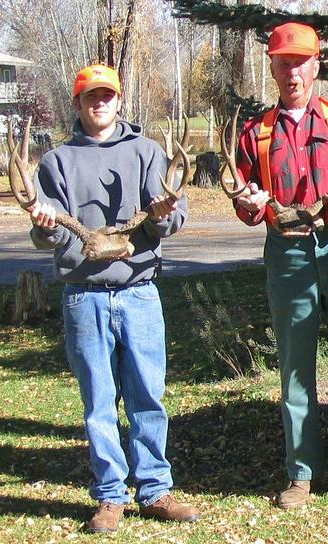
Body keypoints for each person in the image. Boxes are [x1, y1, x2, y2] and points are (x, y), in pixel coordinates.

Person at [27, 64, 199, 532]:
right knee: (99, 400)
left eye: (107, 95)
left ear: (119, 100)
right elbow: (46, 235)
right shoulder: (56, 162)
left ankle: (155, 490)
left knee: (148, 396)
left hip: (140, 291)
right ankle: (109, 495)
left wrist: (162, 215)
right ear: (78, 103)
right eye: (90, 96)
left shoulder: (146, 153)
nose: (99, 102)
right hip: (84, 296)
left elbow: (171, 220)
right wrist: (46, 227)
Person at [231, 22, 328, 508]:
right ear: (273, 68)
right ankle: (301, 473)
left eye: (301, 61)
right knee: (296, 364)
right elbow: (243, 195)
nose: (293, 71)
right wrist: (251, 201)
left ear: (316, 65)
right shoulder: (256, 132)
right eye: (284, 62)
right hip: (288, 249)